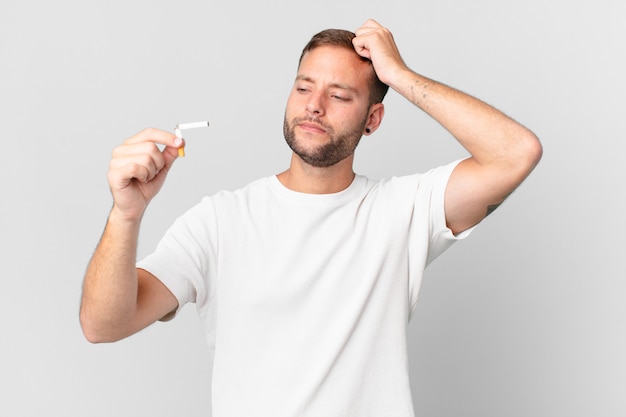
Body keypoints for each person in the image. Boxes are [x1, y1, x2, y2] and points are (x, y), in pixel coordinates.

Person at [80, 19, 542, 417]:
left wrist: (398, 74)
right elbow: (102, 325)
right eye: (303, 87)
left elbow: (516, 153)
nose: (314, 105)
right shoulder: (220, 221)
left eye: (339, 95)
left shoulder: (404, 211)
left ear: (372, 119)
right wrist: (126, 215)